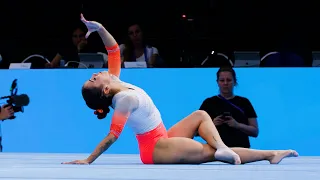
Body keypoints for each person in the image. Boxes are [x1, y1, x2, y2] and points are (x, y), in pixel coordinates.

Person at [62, 14, 298, 165]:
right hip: (154, 150)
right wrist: (88, 160)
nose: (93, 74)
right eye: (92, 80)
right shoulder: (123, 99)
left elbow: (113, 50)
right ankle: (269, 154)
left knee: (201, 115)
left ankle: (224, 148)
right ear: (104, 91)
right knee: (209, 152)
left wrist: (100, 27)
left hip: (162, 136)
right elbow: (113, 135)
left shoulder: (114, 79)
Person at [198, 67, 258, 148]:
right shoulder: (208, 103)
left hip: (241, 150)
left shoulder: (244, 102)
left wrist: (237, 125)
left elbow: (255, 132)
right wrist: (212, 124)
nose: (225, 83)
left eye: (229, 80)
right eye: (222, 80)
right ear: (217, 82)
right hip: (215, 151)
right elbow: (196, 132)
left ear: (234, 82)